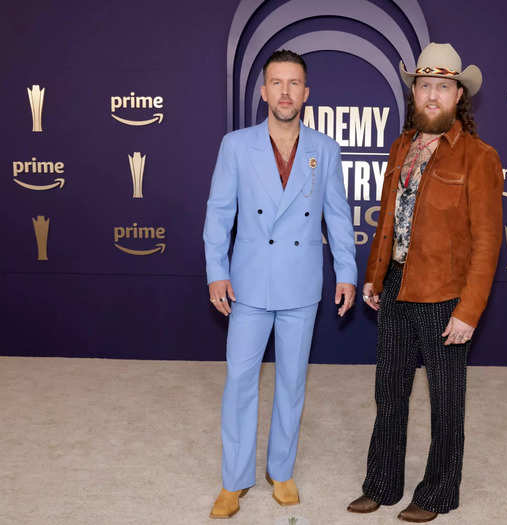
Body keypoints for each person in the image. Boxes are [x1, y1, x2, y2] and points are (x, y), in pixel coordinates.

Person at [347, 43, 503, 522]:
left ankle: (437, 493)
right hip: (396, 287)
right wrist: (374, 277)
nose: (432, 96)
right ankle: (382, 483)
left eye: (443, 87)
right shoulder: (401, 148)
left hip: (446, 295)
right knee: (388, 391)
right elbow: (388, 223)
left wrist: (468, 311)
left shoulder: (480, 157)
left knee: (445, 399)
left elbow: (487, 243)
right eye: (424, 86)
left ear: (459, 96)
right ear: (413, 93)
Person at [204, 49, 357, 519]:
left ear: (306, 94)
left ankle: (282, 471)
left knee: (291, 382)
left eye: (294, 84)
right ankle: (234, 481)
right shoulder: (236, 145)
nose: (285, 92)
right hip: (248, 283)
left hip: (301, 284)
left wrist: (347, 272)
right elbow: (219, 213)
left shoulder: (325, 149)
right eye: (277, 83)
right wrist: (217, 271)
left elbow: (337, 215)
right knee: (240, 381)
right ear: (264, 91)